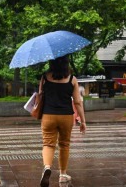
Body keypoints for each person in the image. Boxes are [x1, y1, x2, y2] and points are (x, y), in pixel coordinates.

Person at [39, 55, 86, 187]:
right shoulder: (72, 79)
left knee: (48, 143)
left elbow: (41, 95)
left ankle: (47, 167)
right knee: (64, 144)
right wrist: (83, 121)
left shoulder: (45, 77)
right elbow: (77, 102)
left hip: (48, 115)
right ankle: (62, 174)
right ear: (66, 63)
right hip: (66, 116)